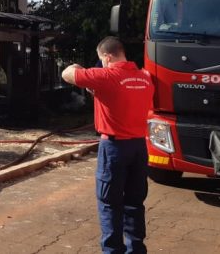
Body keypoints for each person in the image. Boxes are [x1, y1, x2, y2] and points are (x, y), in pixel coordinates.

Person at [61, 36, 154, 254]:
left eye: (102, 59)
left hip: (114, 149)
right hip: (139, 148)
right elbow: (126, 99)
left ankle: (112, 251)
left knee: (110, 203)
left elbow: (67, 74)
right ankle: (136, 249)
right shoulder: (144, 78)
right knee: (134, 203)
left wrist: (77, 67)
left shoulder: (106, 75)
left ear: (107, 56)